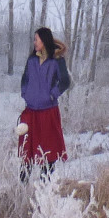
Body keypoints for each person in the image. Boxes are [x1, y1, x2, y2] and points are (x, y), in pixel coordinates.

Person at [16, 27, 71, 175]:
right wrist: (25, 93)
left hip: (48, 112)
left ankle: (45, 188)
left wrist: (52, 95)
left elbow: (65, 81)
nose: (34, 42)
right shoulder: (32, 59)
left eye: (36, 39)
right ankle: (22, 188)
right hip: (31, 112)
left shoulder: (57, 61)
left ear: (44, 40)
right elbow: (25, 78)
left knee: (48, 152)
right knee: (26, 152)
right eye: (34, 39)